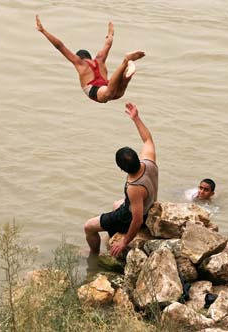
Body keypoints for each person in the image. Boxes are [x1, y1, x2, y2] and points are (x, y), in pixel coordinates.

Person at [84, 102, 158, 256]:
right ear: (138, 158)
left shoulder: (134, 187)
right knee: (116, 204)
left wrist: (124, 242)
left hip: (135, 216)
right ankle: (111, 234)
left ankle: (93, 253)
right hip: (149, 203)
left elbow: (136, 220)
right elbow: (147, 140)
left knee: (88, 226)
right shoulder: (149, 162)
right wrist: (136, 118)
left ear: (122, 169)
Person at [36, 15, 145, 103]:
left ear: (79, 57)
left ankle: (125, 62)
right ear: (89, 56)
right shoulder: (100, 59)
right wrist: (110, 33)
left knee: (110, 93)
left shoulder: (79, 63)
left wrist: (43, 31)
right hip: (106, 84)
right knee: (119, 91)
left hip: (95, 89)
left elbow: (60, 46)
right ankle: (126, 73)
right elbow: (108, 44)